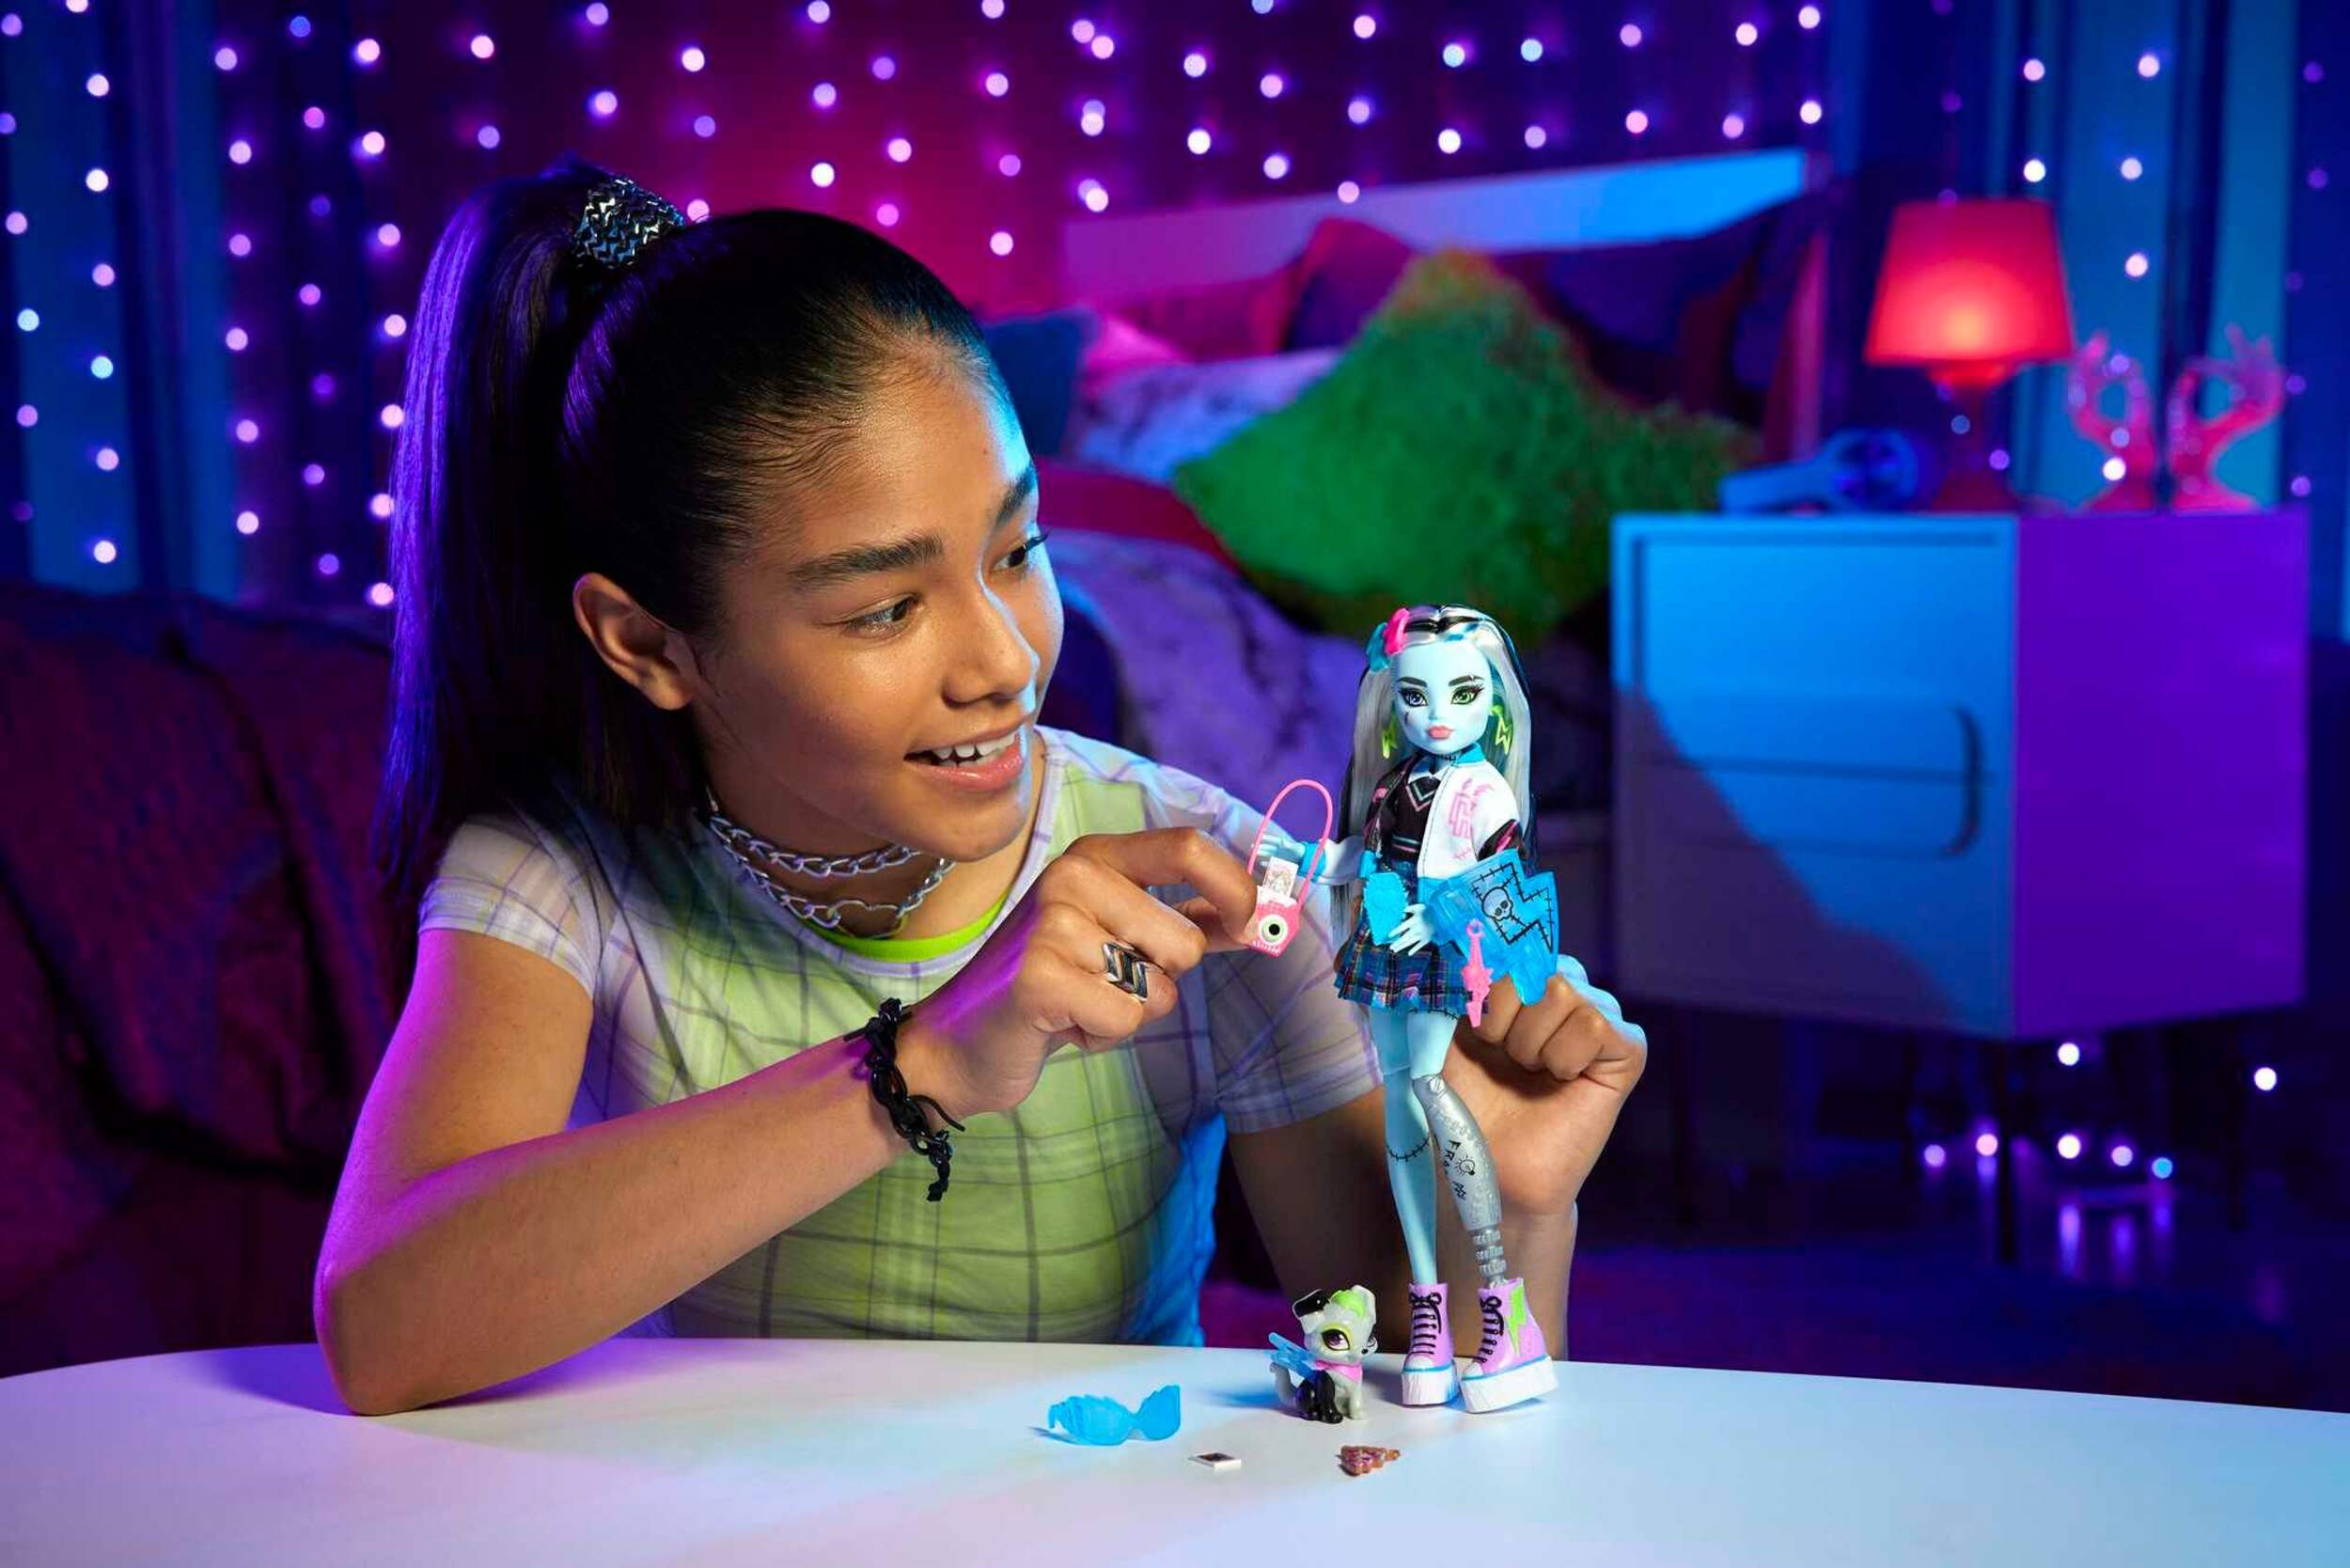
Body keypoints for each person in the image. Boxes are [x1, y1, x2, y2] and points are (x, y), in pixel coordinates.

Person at [312, 158, 1648, 1417]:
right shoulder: (559, 869)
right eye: (887, 609)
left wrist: (1516, 1204)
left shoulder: (1206, 873)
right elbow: (381, 1328)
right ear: (650, 646)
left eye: (1020, 548)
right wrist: (923, 1063)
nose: (1007, 662)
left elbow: (1410, 1411)